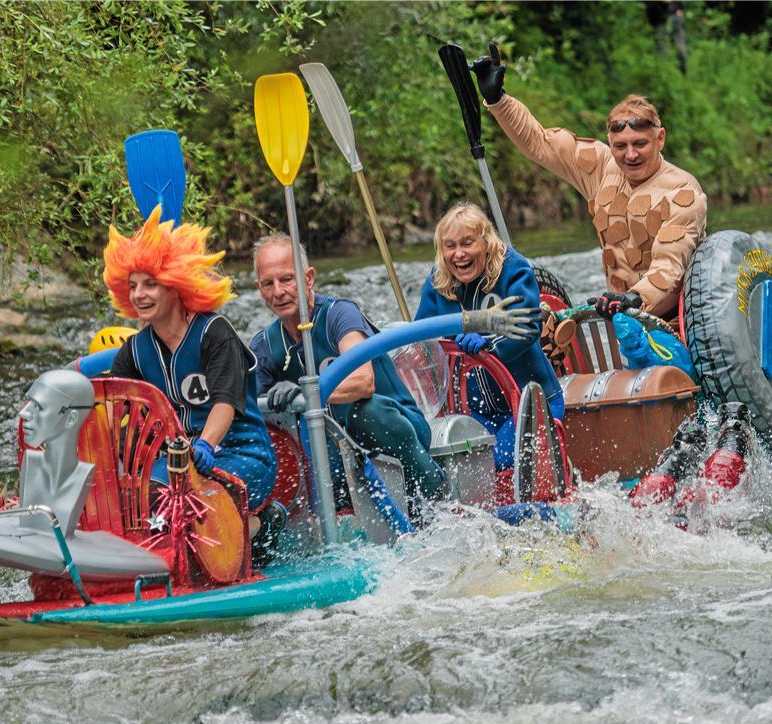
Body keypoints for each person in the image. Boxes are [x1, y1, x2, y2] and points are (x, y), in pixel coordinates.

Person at [471, 44, 707, 320]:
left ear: (660, 139)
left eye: (640, 144)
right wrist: (498, 100)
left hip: (676, 321)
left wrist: (634, 298)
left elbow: (670, 263)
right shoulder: (599, 166)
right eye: (620, 146)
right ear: (610, 143)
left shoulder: (683, 191)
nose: (630, 155)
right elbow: (540, 143)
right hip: (618, 315)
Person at [102, 207, 280, 543]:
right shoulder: (134, 351)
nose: (139, 295)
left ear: (175, 287)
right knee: (141, 505)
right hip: (174, 466)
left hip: (242, 455)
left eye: (151, 284)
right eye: (133, 286)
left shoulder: (215, 332)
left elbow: (226, 402)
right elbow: (112, 412)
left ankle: (261, 527)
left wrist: (205, 446)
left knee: (186, 508)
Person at [249, 234, 445, 506]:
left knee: (363, 411)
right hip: (332, 444)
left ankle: (430, 489)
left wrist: (306, 394)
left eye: (287, 279)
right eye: (268, 284)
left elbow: (363, 382)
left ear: (308, 278)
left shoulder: (340, 314)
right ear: (258, 288)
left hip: (396, 426)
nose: (278, 292)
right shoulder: (264, 345)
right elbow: (251, 414)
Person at [414, 202, 563, 472]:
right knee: (458, 467)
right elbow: (420, 341)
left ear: (486, 242)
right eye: (450, 246)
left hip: (531, 402)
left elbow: (528, 326)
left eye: (467, 243)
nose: (459, 254)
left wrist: (490, 347)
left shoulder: (513, 268)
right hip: (475, 411)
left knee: (496, 465)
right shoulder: (438, 281)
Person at [17, 369, 96, 536]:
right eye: (28, 402)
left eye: (38, 406)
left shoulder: (83, 475)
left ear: (71, 419)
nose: (23, 413)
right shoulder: (30, 463)